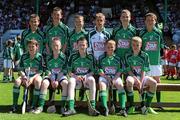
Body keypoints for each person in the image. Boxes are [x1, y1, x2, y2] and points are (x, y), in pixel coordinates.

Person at [63, 37, 99, 116]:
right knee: (71, 81)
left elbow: (93, 71)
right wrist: (76, 76)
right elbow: (69, 72)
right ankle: (71, 108)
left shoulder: (91, 56)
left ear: (87, 45)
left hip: (87, 77)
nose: (82, 47)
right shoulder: (73, 56)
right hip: (76, 78)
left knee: (92, 80)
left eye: (83, 45)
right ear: (77, 46)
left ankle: (92, 107)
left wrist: (86, 76)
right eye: (80, 45)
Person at [33, 37, 68, 114]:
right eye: (54, 45)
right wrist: (52, 80)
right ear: (51, 46)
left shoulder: (64, 57)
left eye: (57, 45)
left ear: (60, 46)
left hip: (60, 76)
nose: (56, 47)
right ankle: (40, 106)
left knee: (65, 84)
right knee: (45, 83)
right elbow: (47, 70)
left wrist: (57, 80)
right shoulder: (48, 57)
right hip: (50, 76)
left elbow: (64, 71)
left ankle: (63, 106)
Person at [125, 36, 158, 115]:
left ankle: (148, 106)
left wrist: (140, 82)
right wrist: (136, 80)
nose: (135, 47)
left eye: (137, 45)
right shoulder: (127, 55)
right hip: (132, 76)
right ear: (131, 45)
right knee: (129, 81)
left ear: (141, 45)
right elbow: (129, 70)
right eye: (133, 45)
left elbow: (143, 70)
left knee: (154, 83)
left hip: (142, 76)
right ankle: (131, 106)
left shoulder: (145, 55)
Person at [10, 39, 43, 113]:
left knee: (38, 81)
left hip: (35, 76)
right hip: (25, 76)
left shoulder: (40, 57)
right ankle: (14, 105)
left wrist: (31, 78)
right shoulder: (24, 56)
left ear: (37, 47)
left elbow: (40, 71)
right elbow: (20, 69)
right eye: (29, 47)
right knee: (17, 81)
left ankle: (33, 105)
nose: (31, 48)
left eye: (33, 46)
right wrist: (24, 76)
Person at [139, 12, 165, 108]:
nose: (150, 22)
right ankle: (144, 103)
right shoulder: (141, 32)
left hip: (156, 62)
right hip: (145, 62)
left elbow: (162, 44)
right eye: (148, 20)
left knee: (157, 81)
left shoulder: (159, 32)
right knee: (145, 82)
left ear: (155, 21)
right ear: (145, 22)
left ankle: (159, 103)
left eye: (152, 20)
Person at [98, 39, 127, 117]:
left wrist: (114, 79)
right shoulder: (101, 58)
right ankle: (105, 108)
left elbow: (120, 70)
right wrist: (107, 77)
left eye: (112, 47)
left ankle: (123, 108)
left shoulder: (118, 58)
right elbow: (99, 70)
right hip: (104, 76)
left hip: (115, 76)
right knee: (102, 85)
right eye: (108, 47)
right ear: (105, 47)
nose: (110, 49)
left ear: (115, 47)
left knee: (120, 85)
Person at [67, 14, 88, 100]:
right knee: (74, 79)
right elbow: (68, 47)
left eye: (80, 21)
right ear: (74, 23)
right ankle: (73, 100)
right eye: (76, 21)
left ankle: (81, 97)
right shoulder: (70, 34)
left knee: (82, 79)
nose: (78, 23)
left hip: (83, 60)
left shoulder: (86, 34)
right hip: (74, 61)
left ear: (83, 23)